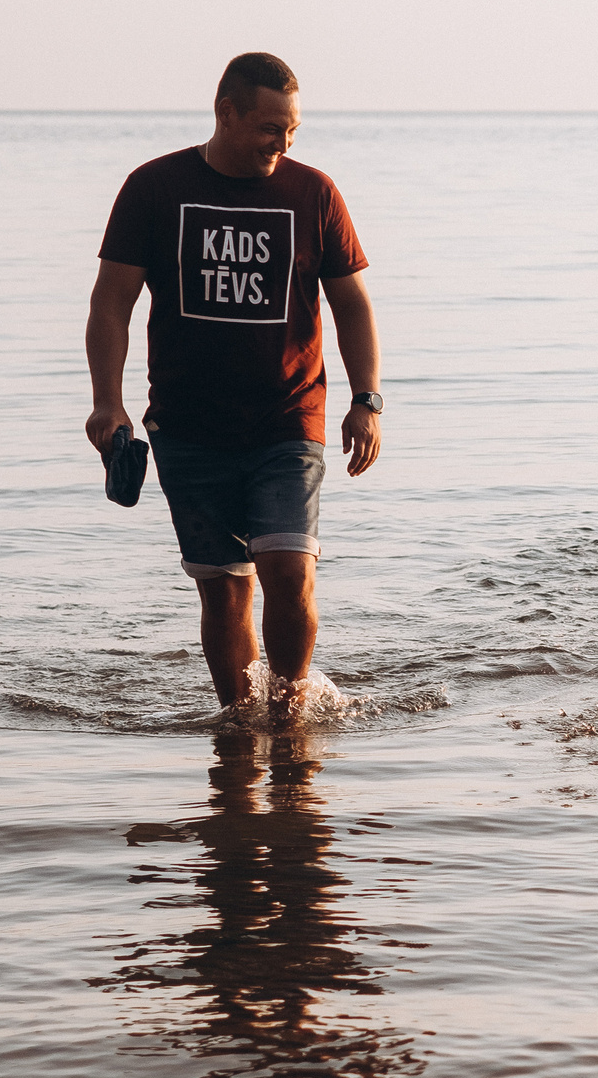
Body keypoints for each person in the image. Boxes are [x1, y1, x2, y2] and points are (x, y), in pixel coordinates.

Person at [84, 51, 385, 714]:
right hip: (188, 428)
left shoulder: (314, 194)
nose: (283, 144)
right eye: (271, 128)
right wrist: (108, 402)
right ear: (226, 113)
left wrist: (367, 399)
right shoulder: (154, 188)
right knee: (224, 590)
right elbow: (111, 303)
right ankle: (240, 723)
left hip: (289, 419)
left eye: (293, 131)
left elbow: (353, 304)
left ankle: (289, 713)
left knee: (289, 570)